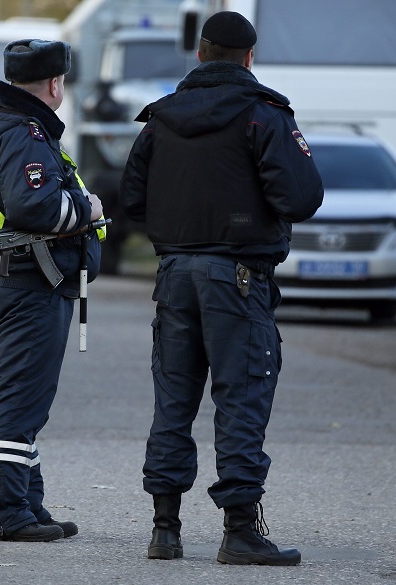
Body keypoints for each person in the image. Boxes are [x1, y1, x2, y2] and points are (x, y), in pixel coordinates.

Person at [119, 11, 324, 566]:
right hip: (237, 278)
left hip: (175, 275)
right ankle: (239, 531)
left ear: (201, 54)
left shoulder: (160, 119)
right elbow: (302, 197)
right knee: (241, 400)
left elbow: (131, 200)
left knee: (174, 399)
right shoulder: (264, 115)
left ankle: (164, 530)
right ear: (249, 58)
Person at [0, 39, 105, 542]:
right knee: (20, 402)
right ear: (55, 84)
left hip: (3, 282)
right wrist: (90, 211)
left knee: (20, 398)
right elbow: (34, 208)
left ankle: (25, 502)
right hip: (29, 286)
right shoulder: (24, 135)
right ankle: (1, 513)